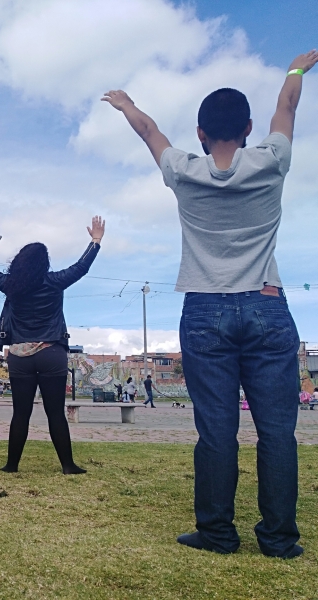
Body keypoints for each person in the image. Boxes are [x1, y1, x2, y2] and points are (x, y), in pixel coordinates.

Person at [103, 49, 318, 559]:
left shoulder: (184, 171)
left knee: (216, 431)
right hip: (266, 304)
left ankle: (219, 533)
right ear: (246, 128)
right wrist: (295, 70)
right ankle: (280, 540)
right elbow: (285, 108)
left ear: (200, 133)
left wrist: (126, 103)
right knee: (277, 432)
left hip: (204, 310)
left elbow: (149, 131)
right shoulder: (272, 161)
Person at [0, 216, 105, 475]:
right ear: (45, 263)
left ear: (20, 262)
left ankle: (12, 465)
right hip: (51, 353)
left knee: (20, 413)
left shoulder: (11, 285)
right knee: (55, 412)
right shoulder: (55, 281)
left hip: (20, 355)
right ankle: (68, 465)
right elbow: (81, 268)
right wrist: (95, 241)